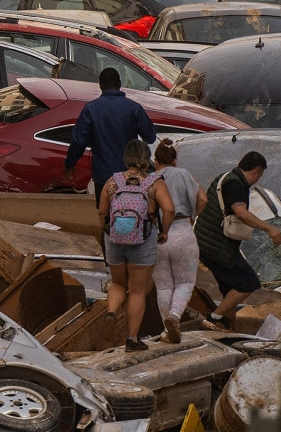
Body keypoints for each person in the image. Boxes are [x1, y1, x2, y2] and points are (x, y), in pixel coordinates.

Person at [195, 151, 281, 331]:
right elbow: (241, 213)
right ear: (256, 171)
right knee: (248, 282)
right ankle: (214, 318)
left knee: (230, 289)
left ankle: (228, 325)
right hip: (217, 247)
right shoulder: (235, 185)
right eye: (260, 175)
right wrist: (269, 228)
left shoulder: (225, 177)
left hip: (206, 244)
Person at [100, 140, 175, 351]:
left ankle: (111, 312)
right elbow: (169, 210)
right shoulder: (154, 183)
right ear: (146, 158)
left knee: (118, 284)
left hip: (114, 239)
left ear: (127, 158)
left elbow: (101, 212)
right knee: (137, 291)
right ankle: (132, 339)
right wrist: (164, 232)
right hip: (142, 239)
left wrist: (108, 231)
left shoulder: (113, 181)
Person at [65, 67, 157, 196]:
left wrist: (70, 162)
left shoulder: (91, 109)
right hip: (129, 174)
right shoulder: (134, 109)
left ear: (100, 85)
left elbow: (79, 141)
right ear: (119, 84)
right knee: (129, 211)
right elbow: (151, 137)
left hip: (103, 176)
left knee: (105, 213)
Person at [151, 138, 207, 343]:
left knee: (164, 286)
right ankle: (175, 316)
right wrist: (193, 215)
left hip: (158, 235)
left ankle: (167, 331)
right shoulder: (184, 174)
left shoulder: (152, 178)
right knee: (185, 282)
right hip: (183, 230)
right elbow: (203, 199)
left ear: (156, 161)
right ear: (175, 160)